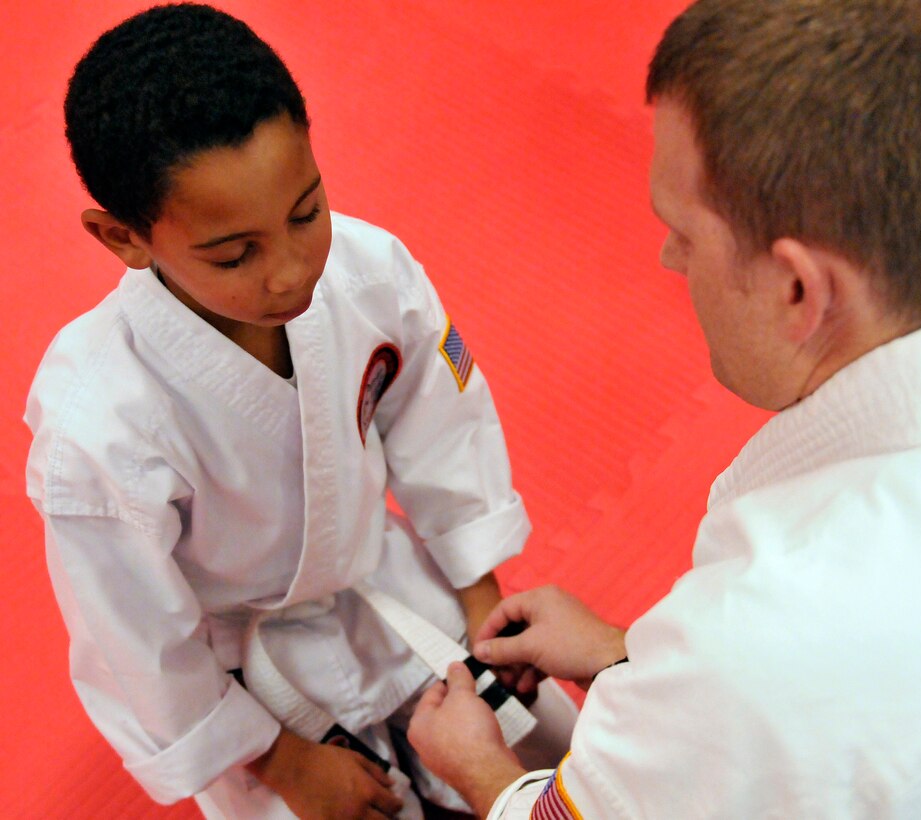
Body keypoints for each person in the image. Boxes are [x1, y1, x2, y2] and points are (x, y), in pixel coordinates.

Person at [24, 4, 575, 818]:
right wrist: (284, 765)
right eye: (234, 253)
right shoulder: (96, 426)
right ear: (123, 238)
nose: (290, 272)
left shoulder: (368, 269)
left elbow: (440, 421)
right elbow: (135, 639)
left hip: (389, 593)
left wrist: (477, 605)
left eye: (306, 211)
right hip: (249, 688)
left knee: (548, 769)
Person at [407, 0, 921, 816]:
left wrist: (476, 769)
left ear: (796, 288)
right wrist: (632, 658)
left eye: (685, 235)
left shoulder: (758, 639)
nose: (666, 257)